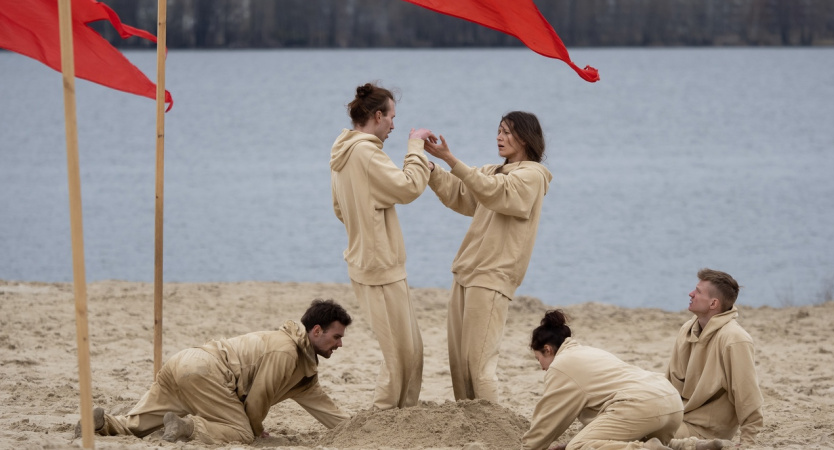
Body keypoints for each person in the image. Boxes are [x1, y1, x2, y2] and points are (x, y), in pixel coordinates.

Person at [75, 299, 353, 444]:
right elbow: (257, 401)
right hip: (207, 373)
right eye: (337, 337)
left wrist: (359, 428)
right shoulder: (286, 351)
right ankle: (187, 427)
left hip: (185, 361)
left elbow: (326, 410)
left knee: (139, 425)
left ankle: (101, 424)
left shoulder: (303, 370)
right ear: (316, 331)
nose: (340, 343)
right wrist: (255, 430)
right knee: (241, 433)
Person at [422, 111, 551, 402]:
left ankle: (494, 432)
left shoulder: (532, 176)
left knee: (479, 364)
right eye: (498, 131)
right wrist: (431, 168)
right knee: (460, 363)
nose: (499, 137)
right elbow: (462, 193)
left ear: (525, 137)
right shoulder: (493, 171)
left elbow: (496, 193)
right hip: (466, 271)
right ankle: (472, 428)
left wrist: (451, 160)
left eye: (506, 132)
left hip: (493, 275)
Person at [330, 82, 433, 410]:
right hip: (378, 265)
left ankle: (400, 417)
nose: (394, 125)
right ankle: (384, 418)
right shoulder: (364, 151)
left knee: (410, 349)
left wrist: (367, 223)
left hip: (374, 261)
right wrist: (415, 148)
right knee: (400, 354)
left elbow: (338, 208)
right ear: (377, 115)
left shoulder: (343, 149)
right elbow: (408, 188)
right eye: (392, 117)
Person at [521, 310, 727, 450]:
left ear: (547, 349)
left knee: (579, 447)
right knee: (629, 440)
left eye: (539, 358)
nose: (542, 367)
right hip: (670, 401)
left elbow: (549, 420)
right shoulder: (587, 353)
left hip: (643, 404)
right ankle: (691, 446)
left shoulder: (561, 365)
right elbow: (605, 423)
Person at [666, 268, 764, 446]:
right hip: (677, 418)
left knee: (635, 435)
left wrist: (749, 441)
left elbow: (747, 394)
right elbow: (671, 381)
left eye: (698, 291)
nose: (691, 293)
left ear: (713, 304)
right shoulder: (687, 328)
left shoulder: (735, 339)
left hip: (705, 430)